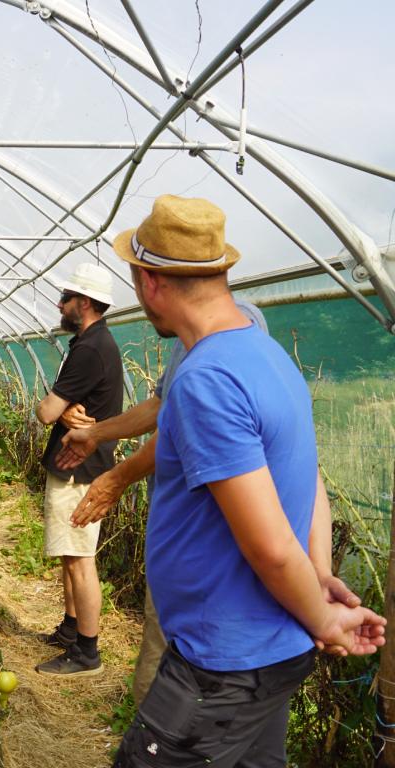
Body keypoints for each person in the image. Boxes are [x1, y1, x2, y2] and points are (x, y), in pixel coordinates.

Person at [106, 194, 384, 766]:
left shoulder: (205, 378)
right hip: (273, 652)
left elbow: (268, 547)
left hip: (221, 667)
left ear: (149, 281)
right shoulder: (269, 356)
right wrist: (322, 577)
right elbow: (312, 487)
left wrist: (324, 616)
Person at [55, 298, 267, 706]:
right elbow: (160, 406)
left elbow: (187, 422)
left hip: (206, 530)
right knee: (162, 634)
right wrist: (98, 433)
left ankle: (160, 738)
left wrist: (117, 477)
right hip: (177, 526)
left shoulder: (230, 333)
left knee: (186, 653)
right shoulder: (186, 340)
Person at [33, 262, 124, 677]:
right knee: (71, 556)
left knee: (80, 558)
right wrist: (68, 409)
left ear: (83, 303)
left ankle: (87, 651)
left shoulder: (89, 348)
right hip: (80, 465)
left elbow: (45, 412)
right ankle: (71, 631)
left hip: (79, 469)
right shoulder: (94, 343)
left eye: (66, 299)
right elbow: (64, 410)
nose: (60, 304)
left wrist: (59, 408)